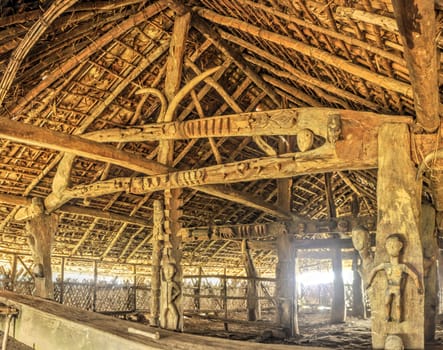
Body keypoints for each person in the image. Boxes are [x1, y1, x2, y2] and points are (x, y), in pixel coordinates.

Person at [366, 234, 423, 322]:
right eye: (389, 245)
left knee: (398, 305)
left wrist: (418, 287)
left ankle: (399, 318)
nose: (391, 247)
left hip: (397, 288)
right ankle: (387, 317)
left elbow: (415, 276)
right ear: (386, 247)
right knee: (386, 303)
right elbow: (374, 270)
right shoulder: (385, 265)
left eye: (394, 244)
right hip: (389, 288)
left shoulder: (402, 267)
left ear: (400, 246)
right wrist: (369, 282)